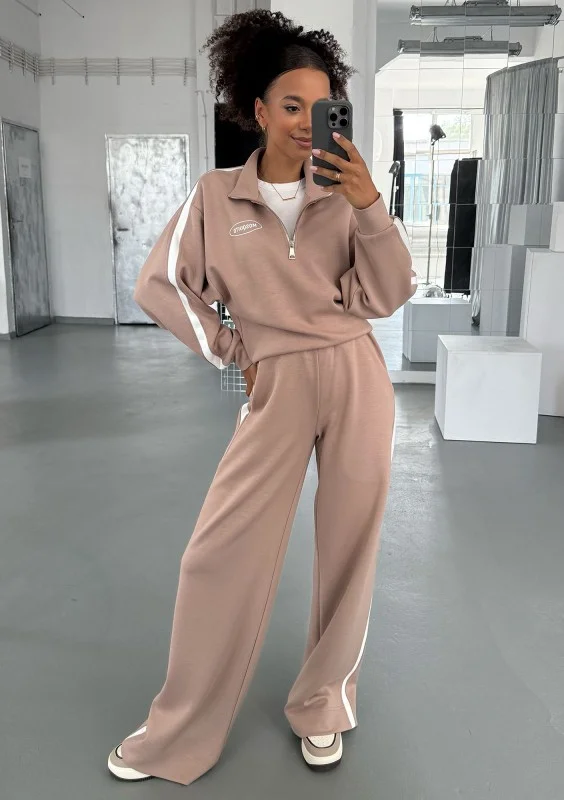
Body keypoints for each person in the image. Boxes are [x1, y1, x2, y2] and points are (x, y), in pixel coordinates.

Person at [107, 8, 416, 787]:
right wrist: (230, 346)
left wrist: (370, 207)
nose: (308, 123)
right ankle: (178, 731)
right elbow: (159, 284)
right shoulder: (217, 196)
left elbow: (387, 294)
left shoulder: (348, 191)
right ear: (258, 109)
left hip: (355, 376)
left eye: (322, 107)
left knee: (349, 550)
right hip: (275, 382)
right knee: (217, 554)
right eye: (291, 105)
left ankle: (323, 706)